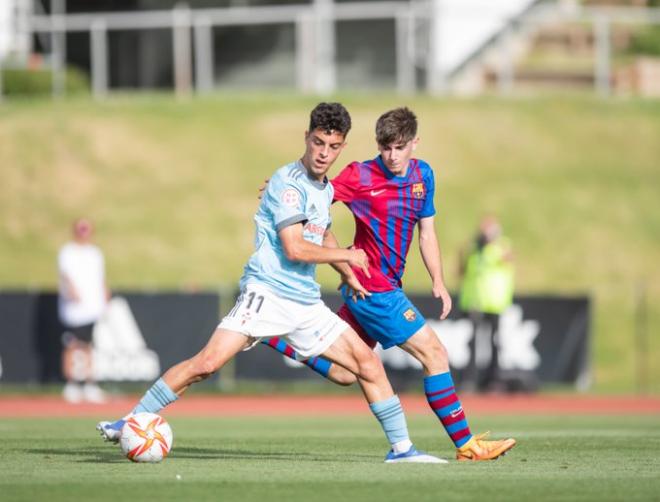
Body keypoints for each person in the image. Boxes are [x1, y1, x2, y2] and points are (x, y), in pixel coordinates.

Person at [97, 103, 443, 464]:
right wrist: (347, 256)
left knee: (367, 365)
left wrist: (348, 275)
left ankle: (402, 450)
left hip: (305, 303)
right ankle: (130, 421)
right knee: (207, 364)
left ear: (342, 147)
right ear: (306, 138)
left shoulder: (324, 189)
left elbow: (322, 232)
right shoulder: (288, 184)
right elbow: (294, 248)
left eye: (334, 146)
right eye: (319, 142)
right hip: (266, 294)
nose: (324, 153)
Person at [262, 107, 516, 461]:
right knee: (435, 353)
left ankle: (273, 334)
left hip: (375, 289)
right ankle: (466, 444)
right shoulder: (359, 175)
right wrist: (281, 190)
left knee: (344, 372)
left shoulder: (423, 175)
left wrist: (438, 281)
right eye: (385, 148)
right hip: (373, 287)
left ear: (414, 143)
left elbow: (426, 232)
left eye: (399, 147)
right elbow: (313, 196)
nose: (392, 156)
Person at [458, 215, 514, 392]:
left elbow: (508, 259)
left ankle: (494, 379)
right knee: (472, 341)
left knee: (495, 341)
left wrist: (493, 244)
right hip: (476, 301)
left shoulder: (500, 247)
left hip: (495, 302)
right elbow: (462, 269)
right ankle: (470, 380)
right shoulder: (474, 249)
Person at [57, 218, 109, 403]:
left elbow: (101, 278)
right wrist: (71, 290)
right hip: (73, 309)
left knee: (87, 346)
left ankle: (89, 385)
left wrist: (105, 297)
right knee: (71, 345)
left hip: (91, 308)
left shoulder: (95, 253)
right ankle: (71, 384)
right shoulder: (68, 252)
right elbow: (65, 275)